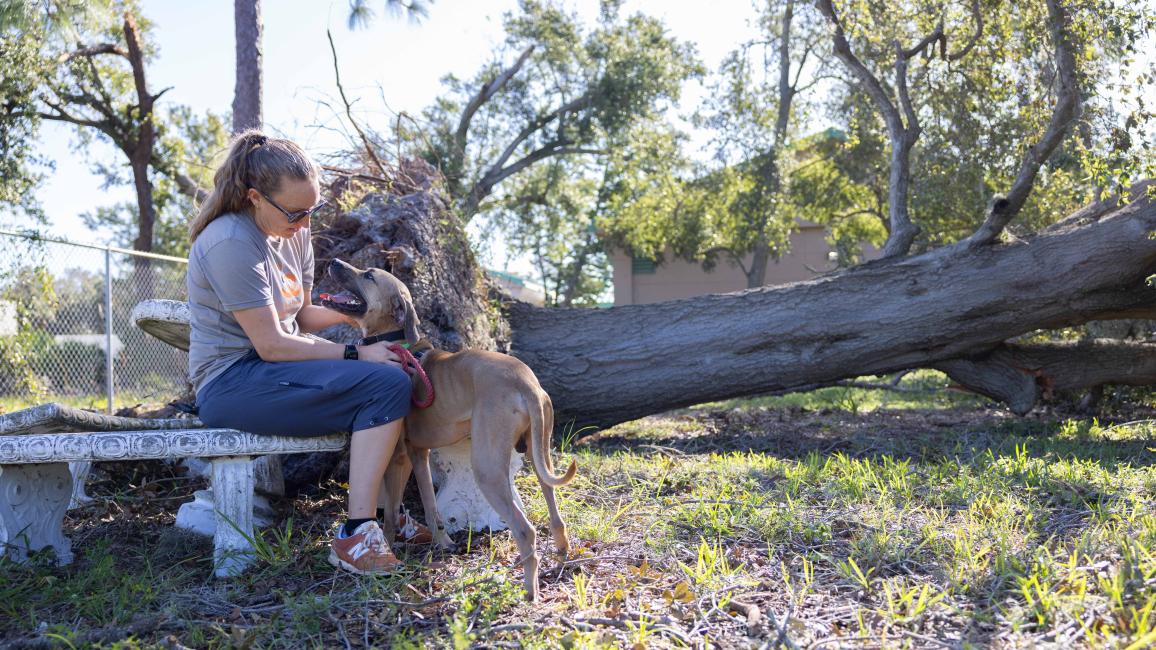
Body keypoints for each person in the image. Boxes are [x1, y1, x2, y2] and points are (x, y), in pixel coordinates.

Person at [186, 130, 423, 574]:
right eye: (296, 212)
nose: (305, 223)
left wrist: (357, 317)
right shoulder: (230, 243)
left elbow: (301, 315)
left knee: (392, 377)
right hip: (233, 382)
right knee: (385, 383)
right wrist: (357, 356)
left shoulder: (292, 233)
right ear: (254, 197)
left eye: (312, 210)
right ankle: (357, 534)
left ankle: (386, 520)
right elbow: (272, 343)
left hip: (278, 370)